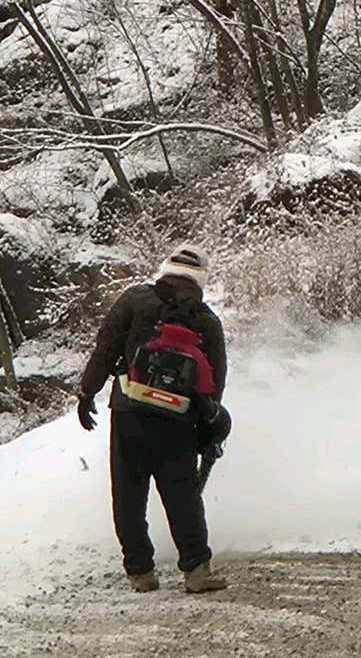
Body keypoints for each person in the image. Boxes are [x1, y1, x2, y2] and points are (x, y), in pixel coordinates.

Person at [77, 244, 230, 593]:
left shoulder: (135, 300)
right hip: (178, 421)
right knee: (183, 495)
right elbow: (215, 382)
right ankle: (196, 571)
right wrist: (206, 423)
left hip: (130, 411)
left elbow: (106, 349)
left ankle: (141, 573)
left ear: (165, 268)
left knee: (128, 494)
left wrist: (87, 393)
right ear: (201, 278)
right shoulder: (206, 321)